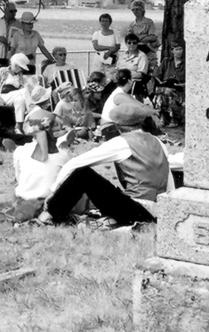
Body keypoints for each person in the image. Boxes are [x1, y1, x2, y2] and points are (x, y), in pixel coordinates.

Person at [38, 102, 173, 228]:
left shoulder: (121, 143)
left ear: (117, 126)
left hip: (137, 210)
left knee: (83, 174)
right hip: (156, 210)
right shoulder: (157, 141)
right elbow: (168, 176)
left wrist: (53, 191)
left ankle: (48, 216)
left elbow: (74, 163)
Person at [0, 53, 34, 135]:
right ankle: (32, 114)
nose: (21, 70)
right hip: (2, 96)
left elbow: (20, 88)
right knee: (24, 91)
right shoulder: (2, 71)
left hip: (14, 96)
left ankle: (18, 127)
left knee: (20, 100)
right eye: (20, 67)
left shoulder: (19, 74)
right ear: (15, 64)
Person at [154, 42, 185, 127]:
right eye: (176, 49)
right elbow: (157, 76)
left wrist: (180, 85)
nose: (179, 52)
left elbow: (190, 81)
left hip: (179, 89)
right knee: (162, 91)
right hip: (165, 88)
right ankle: (162, 117)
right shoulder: (166, 61)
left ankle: (173, 119)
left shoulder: (186, 63)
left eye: (180, 49)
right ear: (172, 51)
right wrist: (161, 83)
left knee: (169, 92)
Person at [0, 2, 21, 66]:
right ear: (5, 11)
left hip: (12, 57)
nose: (14, 13)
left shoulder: (19, 24)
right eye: (11, 11)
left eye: (15, 11)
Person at [120, 33, 150, 99]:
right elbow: (117, 70)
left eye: (134, 43)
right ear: (126, 43)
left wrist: (126, 76)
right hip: (121, 83)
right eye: (129, 43)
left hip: (134, 84)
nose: (132, 45)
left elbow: (141, 74)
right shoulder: (122, 55)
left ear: (137, 44)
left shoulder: (142, 56)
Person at [91, 13, 120, 78]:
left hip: (111, 59)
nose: (104, 23)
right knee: (97, 77)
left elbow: (118, 46)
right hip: (99, 60)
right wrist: (109, 48)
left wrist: (109, 52)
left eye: (106, 21)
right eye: (102, 21)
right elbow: (96, 47)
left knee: (110, 78)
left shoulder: (115, 33)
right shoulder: (96, 33)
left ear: (110, 22)